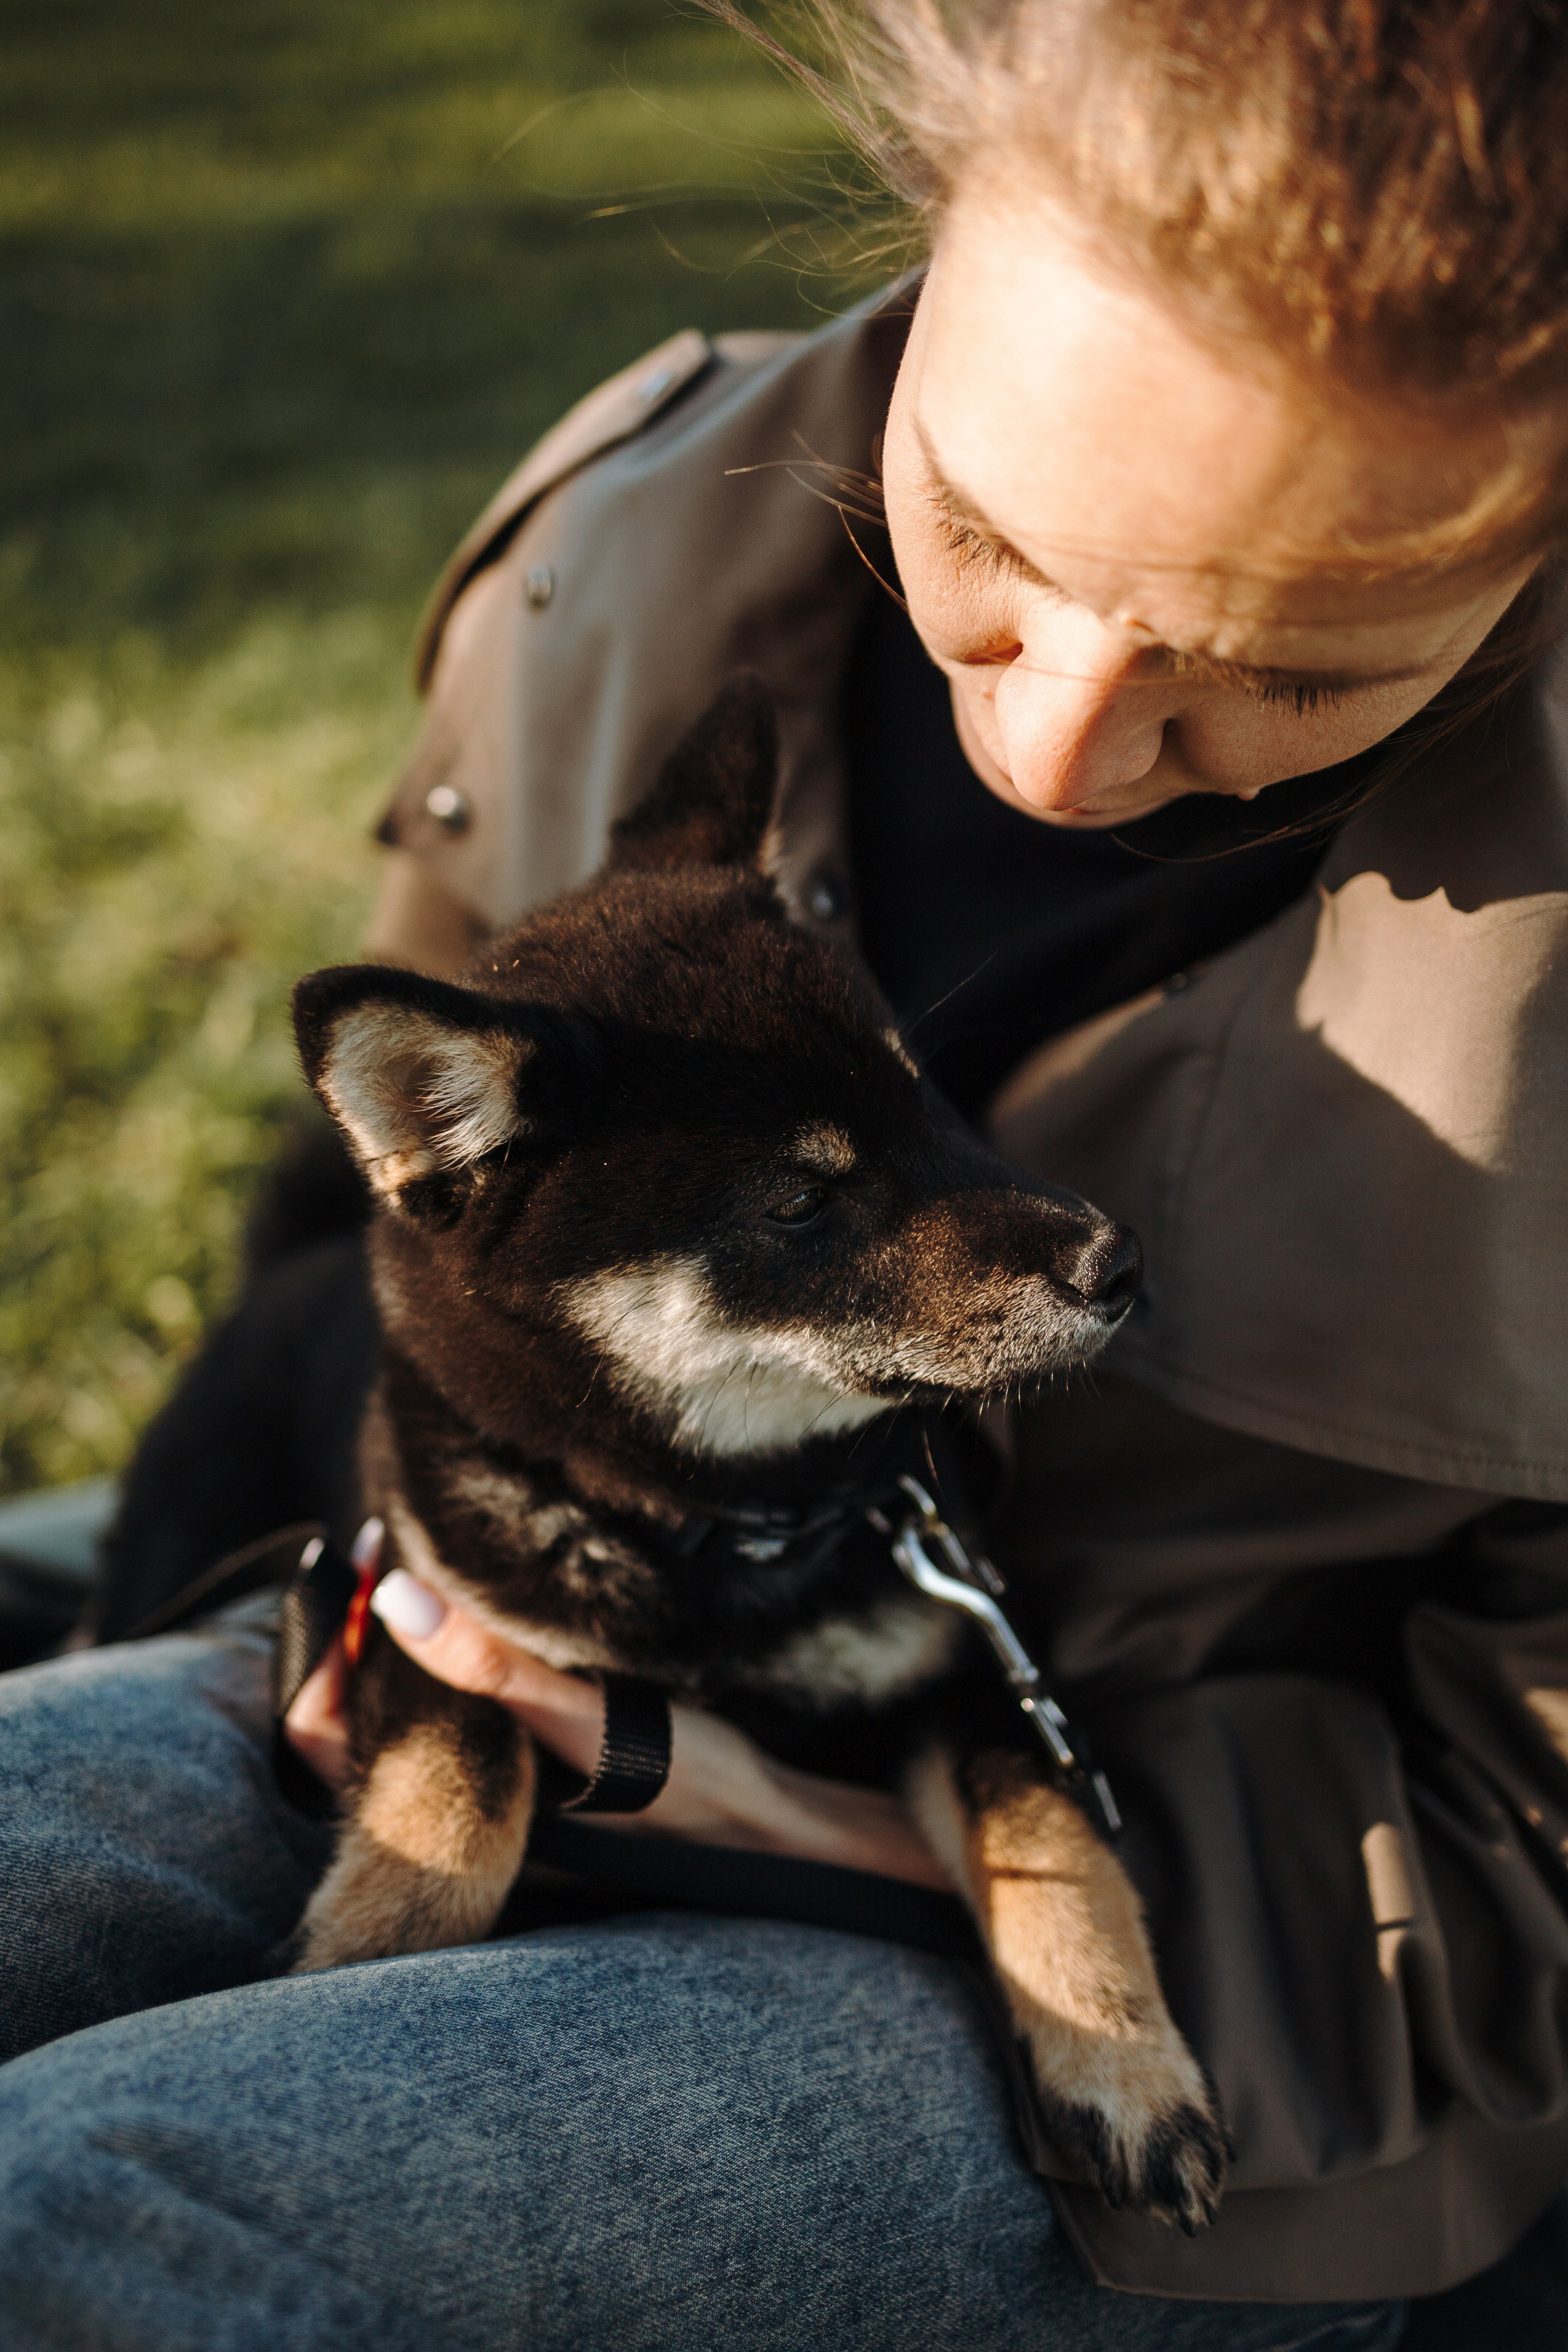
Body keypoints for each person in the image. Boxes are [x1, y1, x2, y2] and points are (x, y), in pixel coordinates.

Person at [4, 0, 1568, 2340]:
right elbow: (384, 1226)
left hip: (1220, 2012)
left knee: (90, 2219)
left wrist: (868, 1835)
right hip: (465, 1648)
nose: (1054, 739)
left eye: (1296, 676)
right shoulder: (638, 530)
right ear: (933, 220)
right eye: (984, 537)